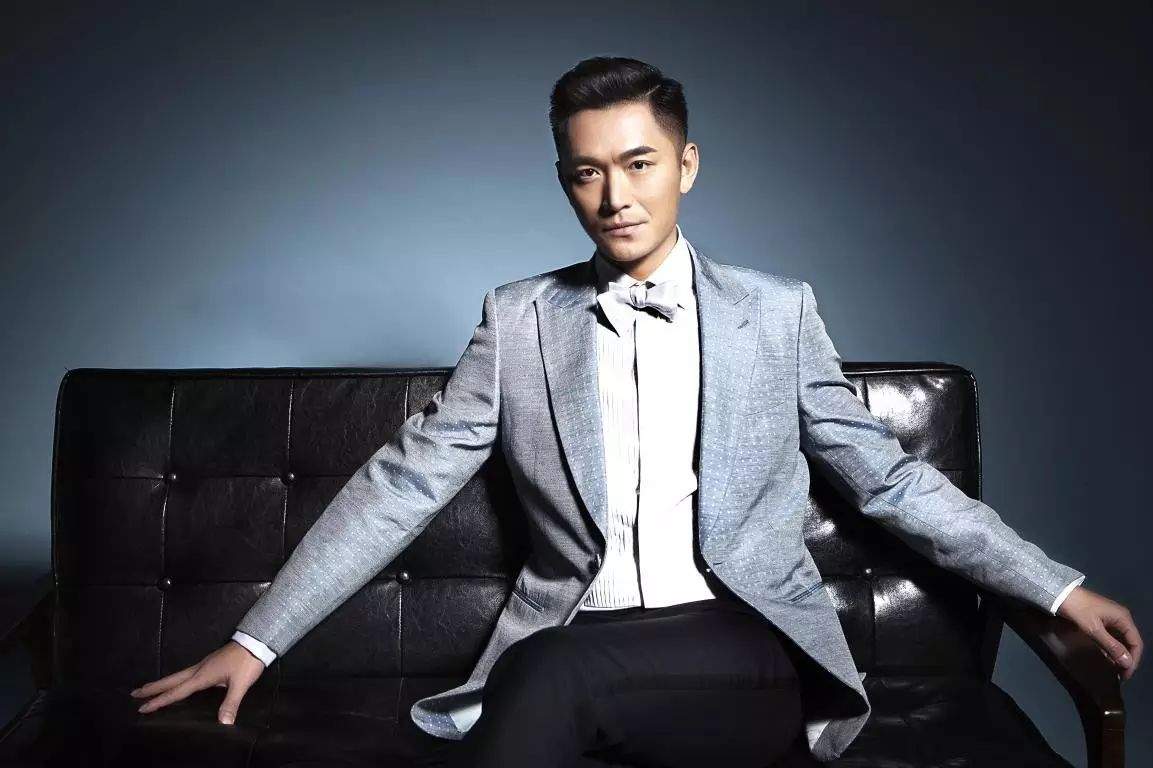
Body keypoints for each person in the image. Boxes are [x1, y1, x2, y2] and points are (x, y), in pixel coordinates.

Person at [129, 56, 1142, 766]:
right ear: (565, 183)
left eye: (639, 163)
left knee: (548, 678)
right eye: (588, 172)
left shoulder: (775, 313)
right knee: (550, 673)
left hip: (745, 649)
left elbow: (887, 479)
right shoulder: (519, 321)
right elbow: (402, 485)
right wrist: (255, 643)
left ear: (685, 165)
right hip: (577, 639)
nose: (615, 195)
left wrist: (1053, 589)